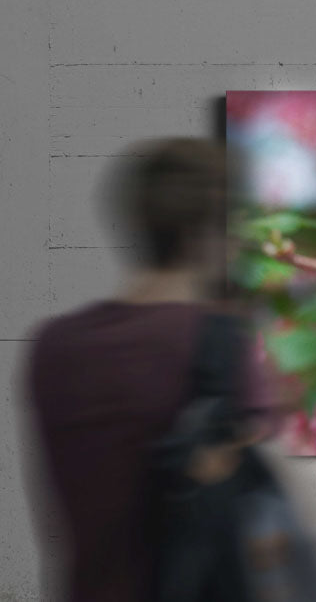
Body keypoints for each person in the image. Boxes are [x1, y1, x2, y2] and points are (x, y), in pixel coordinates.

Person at [23, 139, 263, 601]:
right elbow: (268, 533)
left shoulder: (53, 346)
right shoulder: (219, 344)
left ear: (135, 223)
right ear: (209, 233)